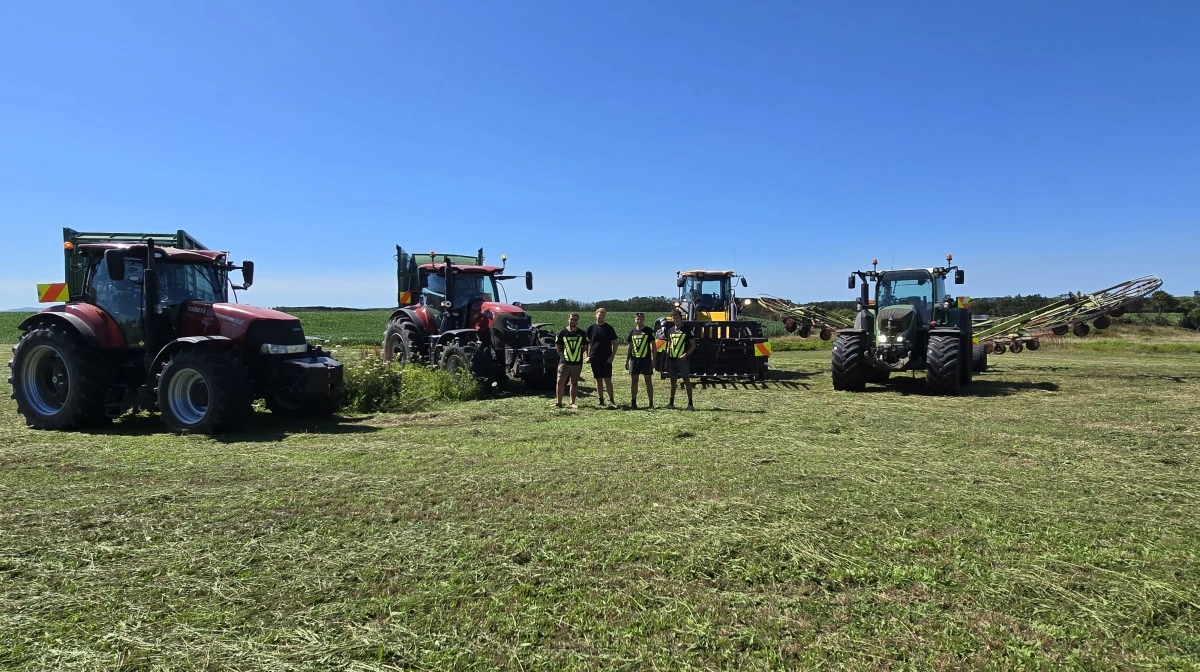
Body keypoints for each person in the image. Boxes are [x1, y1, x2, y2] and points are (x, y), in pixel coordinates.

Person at [585, 307, 619, 408]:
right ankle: (600, 400)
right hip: (594, 357)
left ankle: (612, 400)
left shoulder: (609, 328)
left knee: (607, 379)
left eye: (603, 315)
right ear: (596, 315)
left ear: (605, 316)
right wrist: (586, 356)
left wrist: (612, 356)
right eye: (599, 314)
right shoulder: (591, 328)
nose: (601, 316)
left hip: (606, 357)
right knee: (598, 379)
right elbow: (586, 343)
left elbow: (615, 343)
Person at [665, 308, 697, 410]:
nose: (676, 320)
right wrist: (666, 359)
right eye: (674, 318)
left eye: (677, 318)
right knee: (672, 381)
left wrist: (685, 355)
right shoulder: (670, 330)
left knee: (686, 380)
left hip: (683, 360)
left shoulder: (687, 329)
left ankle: (690, 404)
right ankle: (671, 403)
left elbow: (693, 345)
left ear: (681, 318)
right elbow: (668, 346)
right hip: (672, 359)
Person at [555, 313, 588, 408]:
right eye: (571, 319)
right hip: (564, 361)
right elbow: (558, 346)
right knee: (560, 381)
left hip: (577, 362)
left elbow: (585, 346)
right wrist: (562, 355)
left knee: (574, 382)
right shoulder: (562, 333)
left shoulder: (582, 333)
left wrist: (582, 354)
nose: (573, 321)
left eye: (575, 320)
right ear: (568, 319)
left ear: (578, 321)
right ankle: (559, 402)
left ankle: (572, 402)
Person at [625, 312, 655, 410]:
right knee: (634, 381)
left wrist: (654, 360)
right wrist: (627, 361)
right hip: (634, 360)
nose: (639, 321)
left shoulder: (648, 331)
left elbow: (653, 347)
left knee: (648, 380)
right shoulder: (632, 332)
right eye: (637, 319)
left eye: (641, 319)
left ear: (644, 320)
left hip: (646, 360)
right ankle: (633, 402)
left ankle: (651, 402)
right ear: (635, 320)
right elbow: (630, 347)